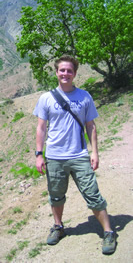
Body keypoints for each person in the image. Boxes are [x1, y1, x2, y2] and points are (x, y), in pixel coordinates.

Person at [33, 55, 116, 254]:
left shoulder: (85, 96)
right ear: (56, 72)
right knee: (56, 195)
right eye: (62, 70)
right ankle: (58, 227)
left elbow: (91, 125)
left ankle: (109, 231)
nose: (65, 74)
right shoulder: (46, 98)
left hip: (79, 155)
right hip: (54, 156)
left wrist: (94, 152)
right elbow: (41, 128)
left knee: (93, 194)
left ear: (75, 74)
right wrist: (38, 154)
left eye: (69, 70)